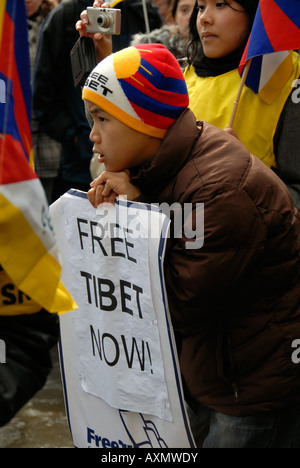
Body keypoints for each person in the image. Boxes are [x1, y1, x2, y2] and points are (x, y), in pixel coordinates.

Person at [82, 43, 300, 448]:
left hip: (249, 388)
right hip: (210, 370)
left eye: (101, 119)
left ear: (143, 123)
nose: (92, 135)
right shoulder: (157, 164)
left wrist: (133, 214)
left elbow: (175, 304)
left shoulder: (220, 190)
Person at [184, 0, 300, 209]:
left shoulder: (289, 79)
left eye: (221, 4)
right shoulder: (179, 74)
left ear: (254, 13)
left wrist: (247, 172)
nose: (204, 18)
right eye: (201, 7)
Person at [33, 0, 96, 199]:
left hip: (130, 165)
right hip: (78, 164)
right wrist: (74, 136)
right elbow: (44, 91)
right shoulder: (66, 16)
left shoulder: (139, 11)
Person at [26, 0, 62, 204]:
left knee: (47, 205)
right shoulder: (6, 26)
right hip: (14, 135)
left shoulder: (55, 21)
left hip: (48, 136)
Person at [131, 0, 195, 68]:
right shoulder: (152, 45)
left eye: (198, 9)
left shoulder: (206, 52)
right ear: (174, 15)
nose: (191, 16)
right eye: (184, 10)